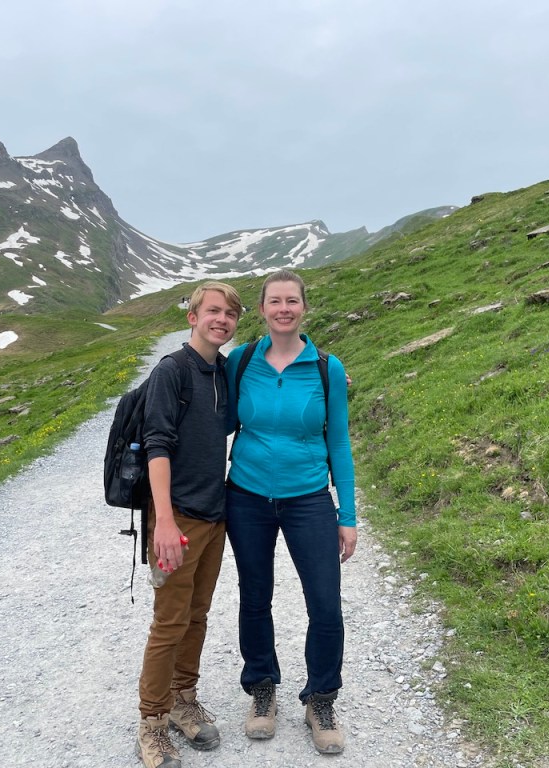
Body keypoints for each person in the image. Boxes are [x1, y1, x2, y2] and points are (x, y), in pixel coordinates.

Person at [225, 269, 357, 755]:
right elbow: (215, 419)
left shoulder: (327, 368)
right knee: (254, 596)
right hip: (246, 496)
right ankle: (262, 688)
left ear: (304, 307)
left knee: (325, 603)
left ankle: (320, 699)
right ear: (262, 309)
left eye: (292, 301)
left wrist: (348, 514)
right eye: (275, 301)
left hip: (308, 498)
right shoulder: (240, 361)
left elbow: (338, 442)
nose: (284, 309)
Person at [136, 281, 241, 768]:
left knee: (197, 615)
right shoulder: (171, 370)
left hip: (214, 515)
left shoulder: (223, 371)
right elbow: (156, 445)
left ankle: (183, 700)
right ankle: (152, 724)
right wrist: (162, 522)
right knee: (169, 622)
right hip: (176, 517)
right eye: (213, 311)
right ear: (193, 317)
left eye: (230, 314)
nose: (222, 319)